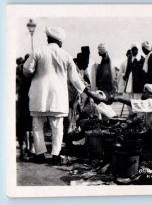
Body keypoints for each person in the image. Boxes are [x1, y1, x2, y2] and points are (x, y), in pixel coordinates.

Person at [23, 26, 106, 165]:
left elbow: (27, 69)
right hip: (57, 97)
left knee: (37, 125)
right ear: (60, 42)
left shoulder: (37, 51)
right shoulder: (66, 55)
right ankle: (55, 155)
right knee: (57, 126)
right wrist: (90, 94)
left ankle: (40, 154)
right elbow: (76, 80)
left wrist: (34, 74)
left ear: (48, 38)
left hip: (39, 96)